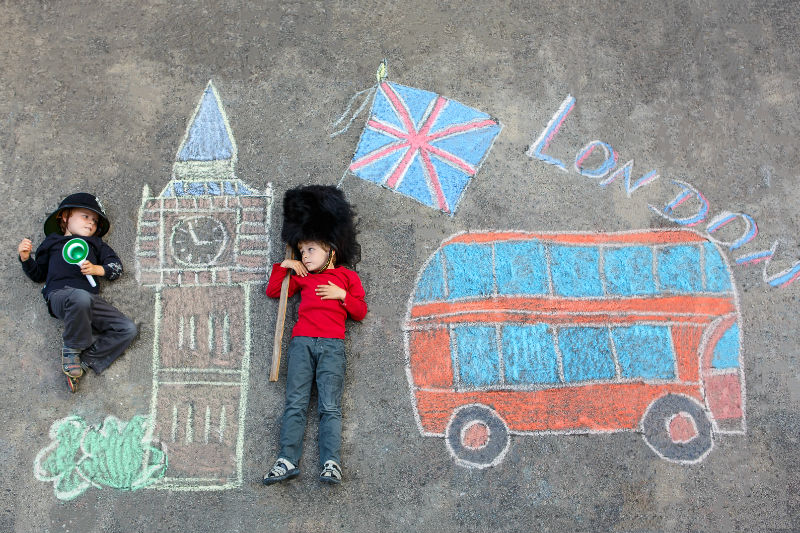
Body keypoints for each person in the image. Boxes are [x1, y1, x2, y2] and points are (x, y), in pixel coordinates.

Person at [263, 185, 366, 486]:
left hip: (332, 347)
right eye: (302, 250)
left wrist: (342, 295)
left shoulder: (347, 277)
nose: (305, 256)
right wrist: (285, 266)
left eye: (311, 250)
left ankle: (330, 462)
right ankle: (286, 460)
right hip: (301, 345)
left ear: (331, 250)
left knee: (330, 406)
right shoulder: (302, 276)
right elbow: (273, 291)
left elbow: (360, 311)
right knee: (295, 402)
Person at [17, 192, 137, 393]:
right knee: (79, 297)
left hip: (89, 301)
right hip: (59, 296)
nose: (91, 223)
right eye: (85, 216)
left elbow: (116, 267)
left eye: (95, 221)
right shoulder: (53, 242)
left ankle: (84, 363)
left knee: (128, 329)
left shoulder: (96, 244)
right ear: (64, 217)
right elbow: (38, 274)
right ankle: (72, 348)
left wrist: (98, 269)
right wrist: (26, 258)